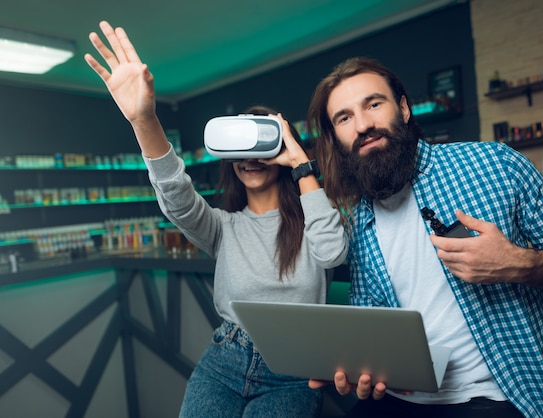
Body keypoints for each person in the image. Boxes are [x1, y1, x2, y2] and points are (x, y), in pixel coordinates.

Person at [307, 56, 543, 418]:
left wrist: (521, 262)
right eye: (344, 117)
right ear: (336, 136)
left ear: (403, 108)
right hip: (401, 397)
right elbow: (373, 328)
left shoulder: (494, 163)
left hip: (503, 395)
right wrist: (362, 369)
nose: (363, 125)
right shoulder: (357, 218)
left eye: (373, 104)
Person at [85, 21, 348, 418]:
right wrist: (145, 121)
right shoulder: (223, 227)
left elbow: (331, 254)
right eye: (238, 147)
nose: (249, 157)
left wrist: (300, 164)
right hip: (224, 362)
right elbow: (176, 197)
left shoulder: (316, 217)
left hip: (294, 369)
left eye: (261, 143)